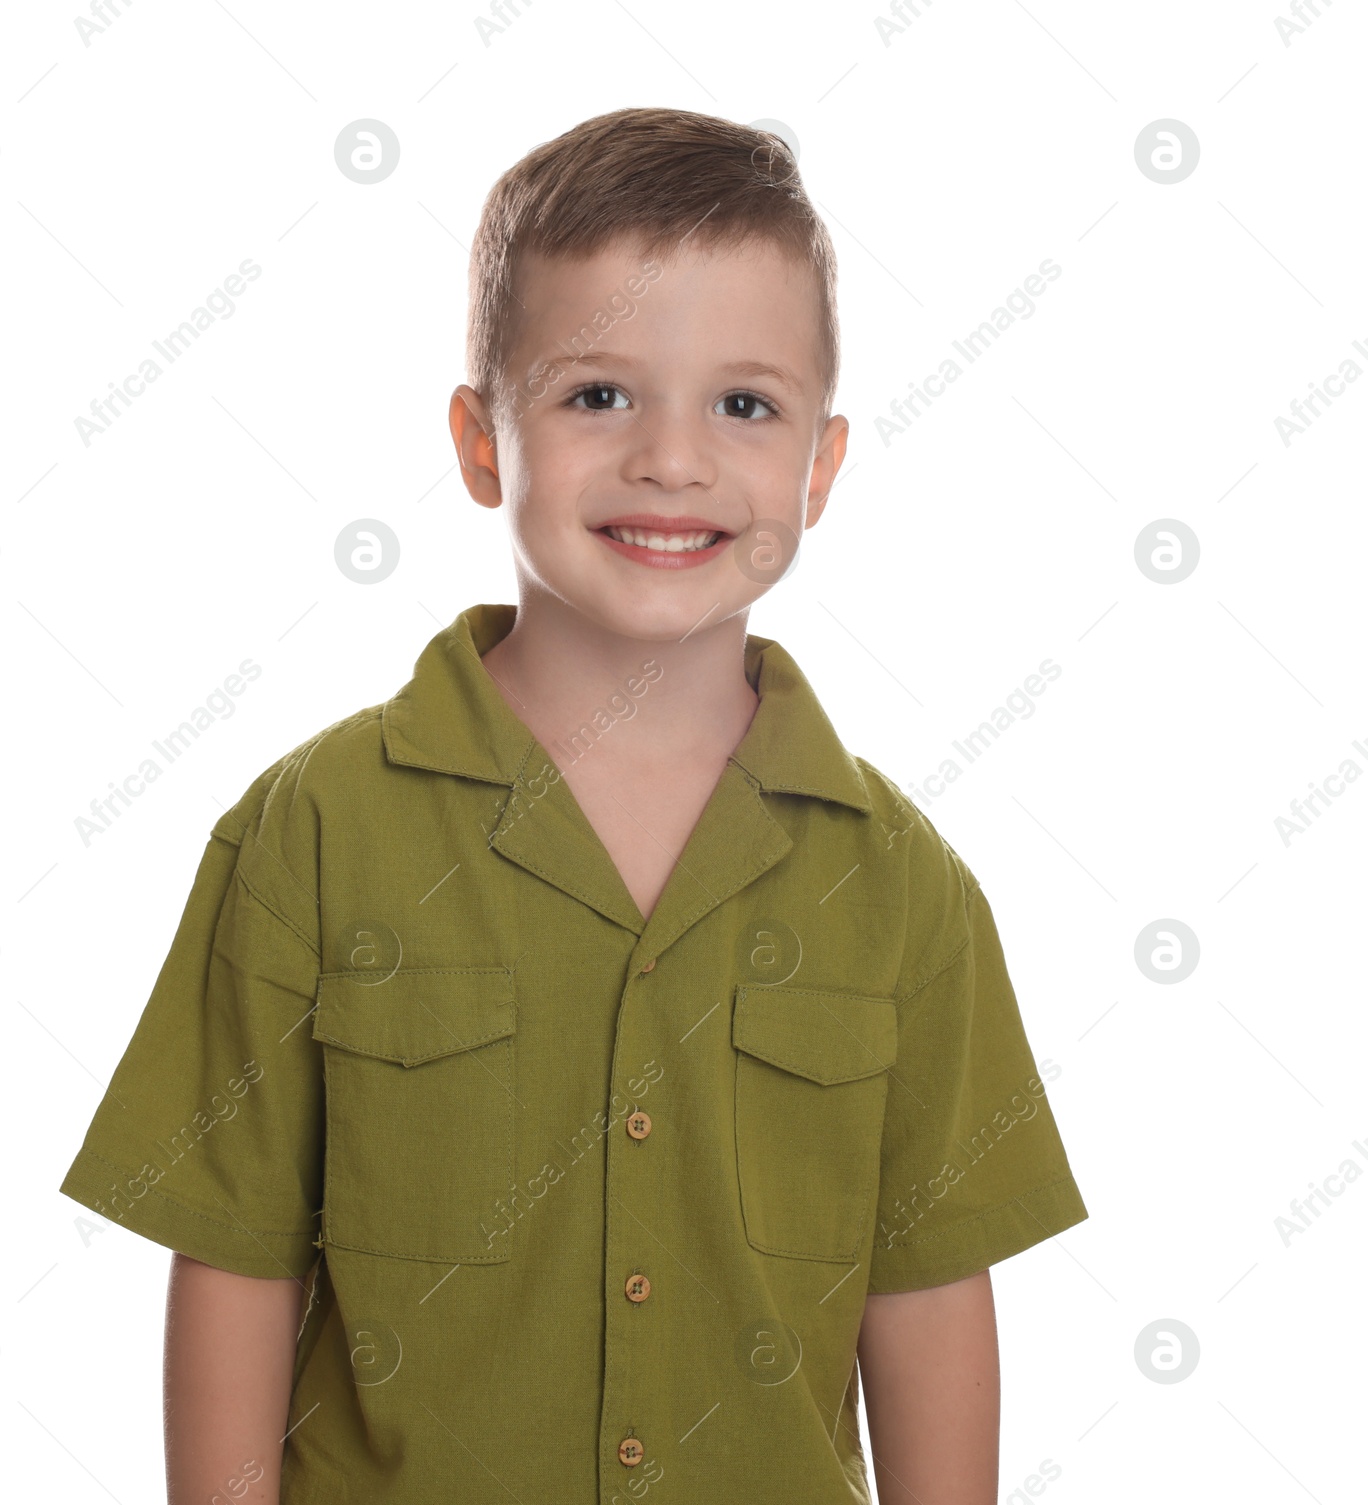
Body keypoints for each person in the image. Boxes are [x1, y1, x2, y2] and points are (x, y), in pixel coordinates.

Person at [58, 105, 1088, 1505]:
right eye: (598, 394)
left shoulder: (907, 888)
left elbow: (922, 1299)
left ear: (820, 468)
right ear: (484, 442)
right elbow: (236, 1259)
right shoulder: (311, 830)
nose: (673, 458)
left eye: (744, 404)